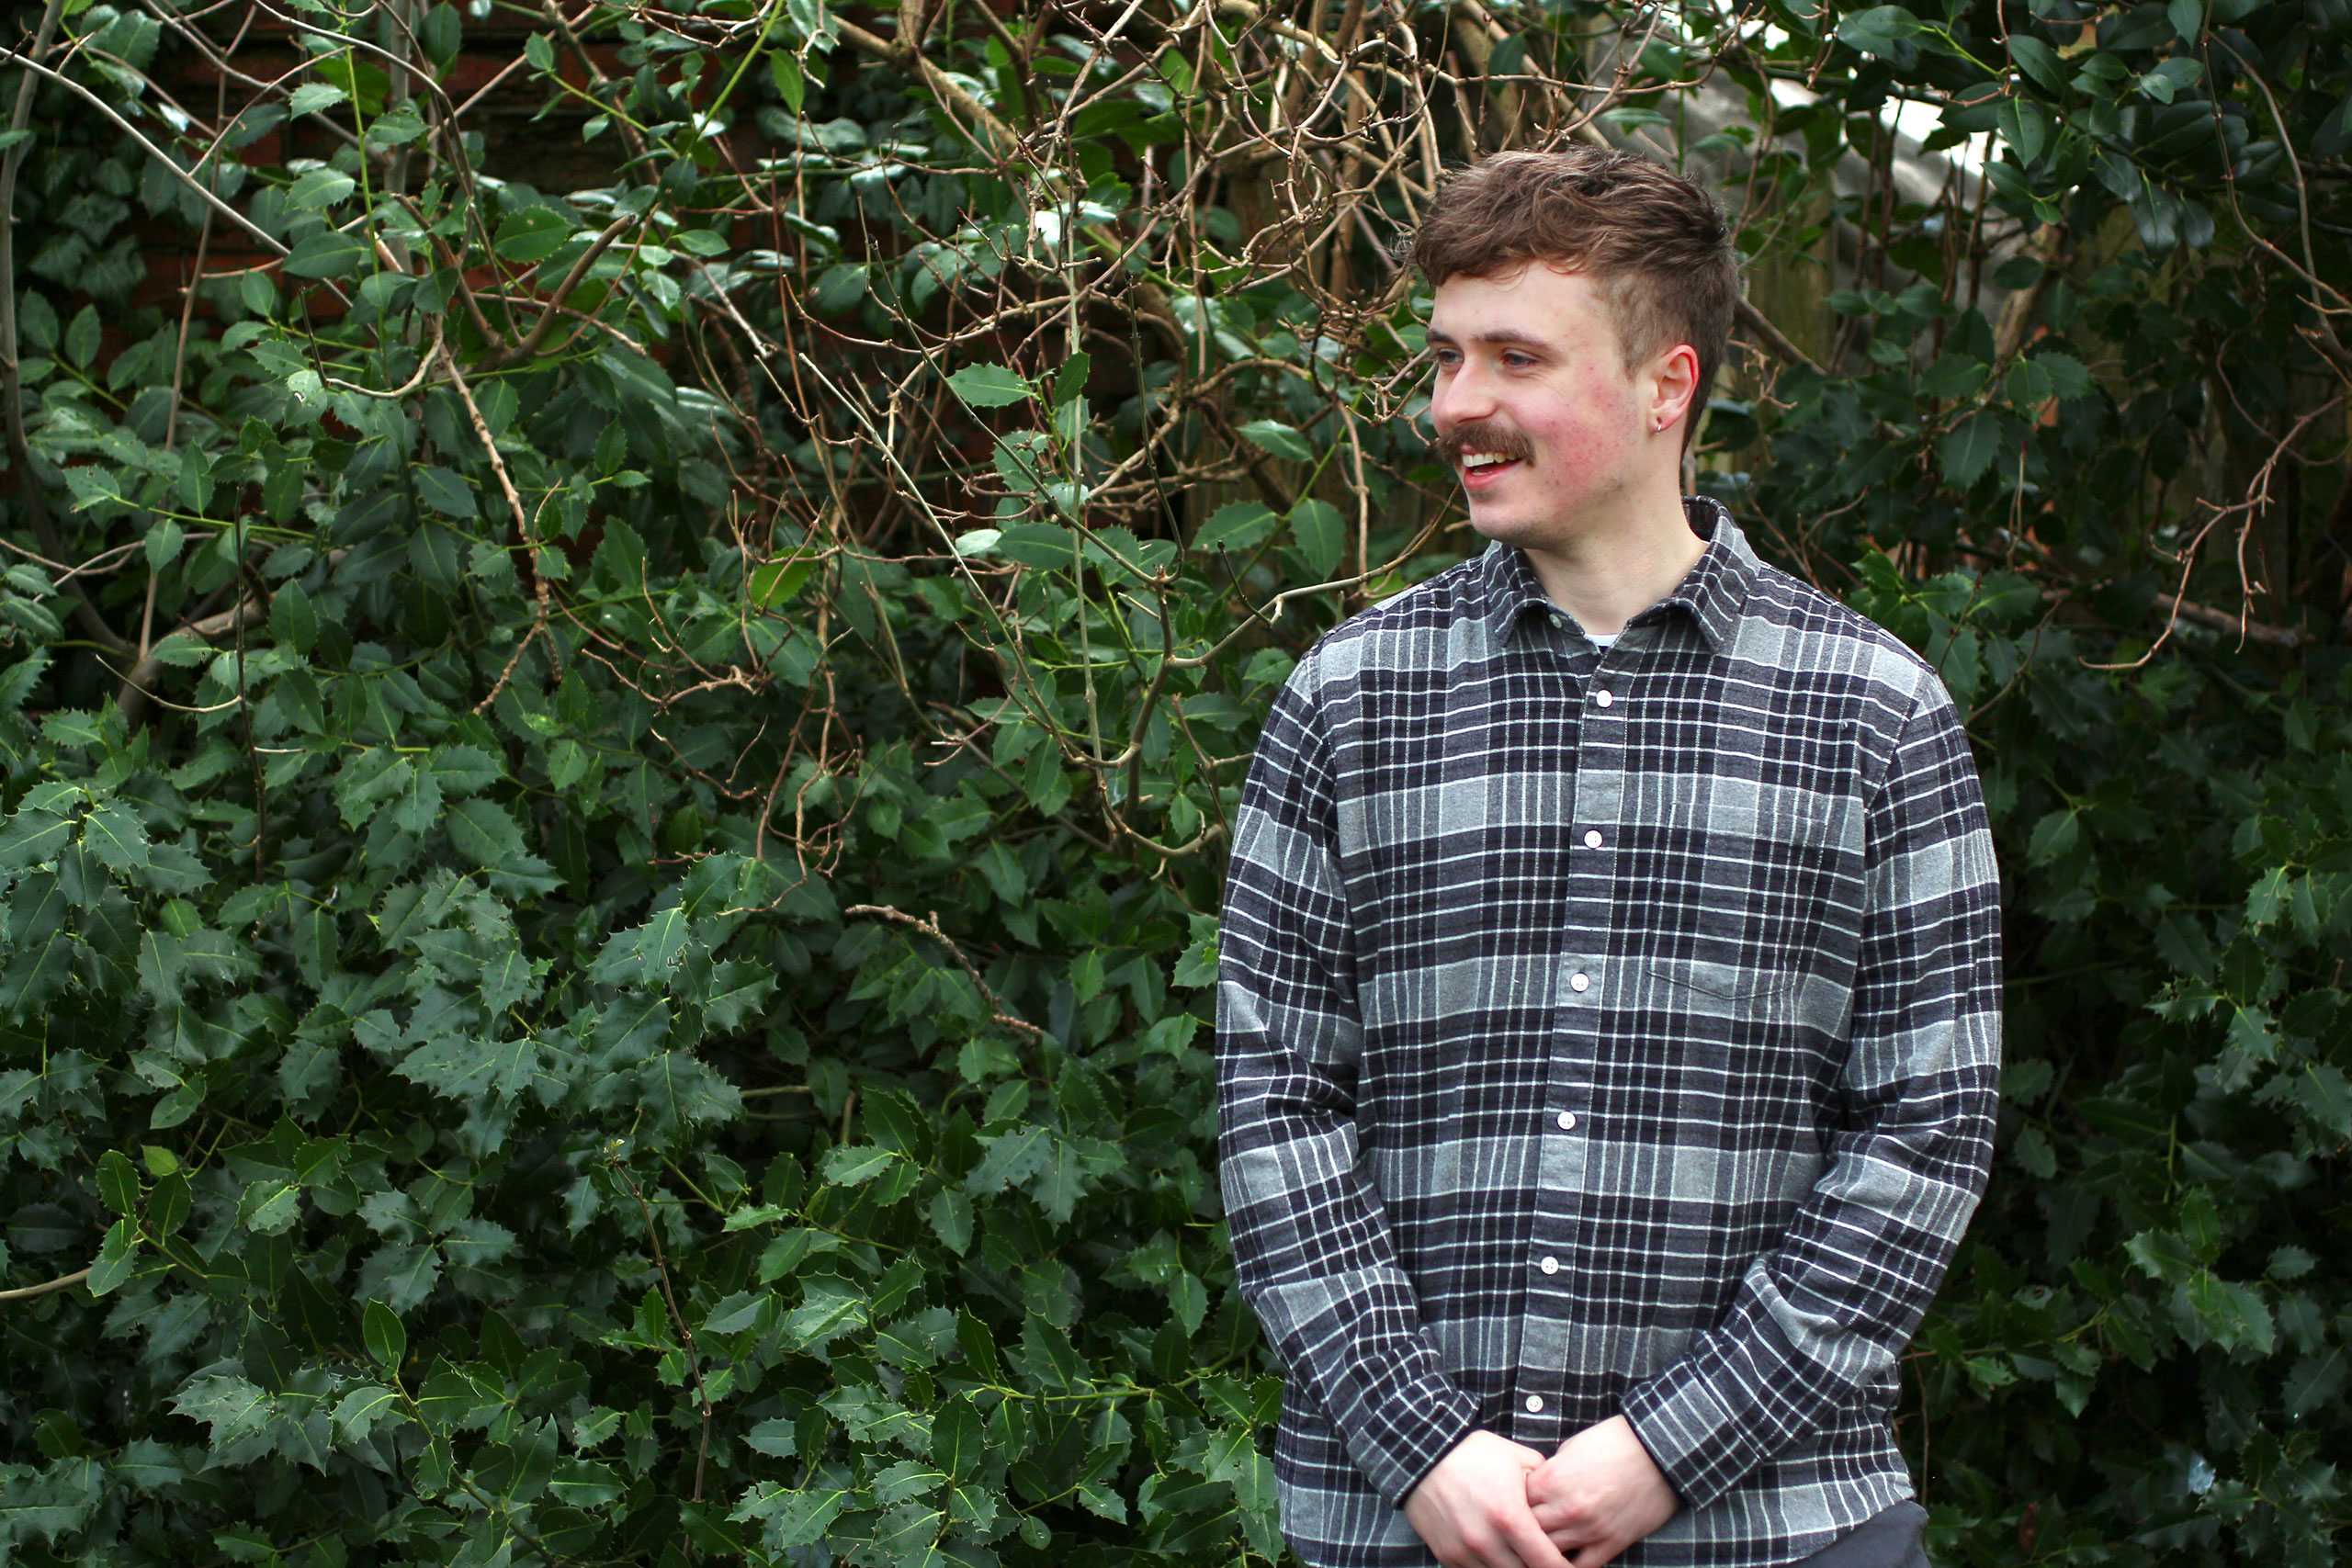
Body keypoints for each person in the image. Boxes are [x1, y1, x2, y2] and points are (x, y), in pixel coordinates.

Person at [1213, 146, 2003, 1568]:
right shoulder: (1349, 700)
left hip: (1778, 1525)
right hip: (1411, 1527)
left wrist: (1668, 1449)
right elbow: (1275, 1095)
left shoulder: (1874, 716)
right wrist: (1422, 1443)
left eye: (1518, 357)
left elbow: (1927, 1130)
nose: (1460, 404)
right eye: (1448, 357)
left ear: (1666, 385)